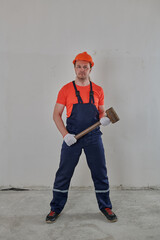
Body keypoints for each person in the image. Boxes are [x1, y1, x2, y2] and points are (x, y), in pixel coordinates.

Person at [46, 52, 117, 223]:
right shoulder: (65, 89)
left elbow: (101, 112)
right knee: (64, 173)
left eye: (85, 67)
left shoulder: (98, 90)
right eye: (79, 66)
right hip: (73, 138)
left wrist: (104, 119)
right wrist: (65, 136)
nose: (82, 70)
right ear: (74, 68)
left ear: (90, 69)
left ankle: (105, 206)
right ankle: (55, 208)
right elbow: (56, 114)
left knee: (100, 172)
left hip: (93, 137)